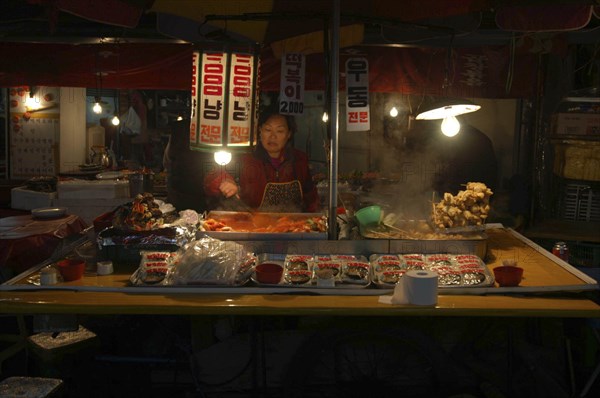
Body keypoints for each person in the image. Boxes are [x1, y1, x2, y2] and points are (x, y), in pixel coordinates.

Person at [205, 111, 320, 213]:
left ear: (289, 134)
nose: (273, 137)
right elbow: (214, 175)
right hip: (251, 224)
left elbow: (310, 196)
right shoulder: (245, 157)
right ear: (260, 131)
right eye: (268, 130)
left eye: (280, 131)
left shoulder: (299, 159)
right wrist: (226, 181)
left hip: (292, 226)